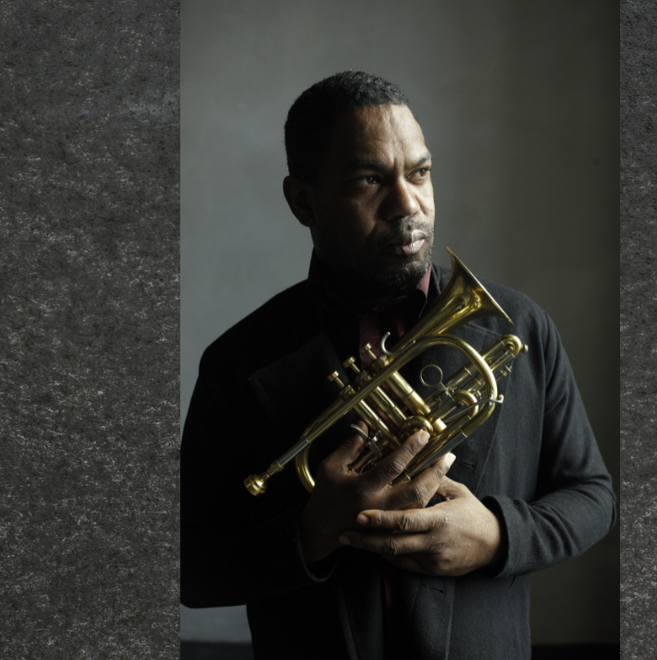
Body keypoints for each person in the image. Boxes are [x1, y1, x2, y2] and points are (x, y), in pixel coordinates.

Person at [181, 71, 616, 660]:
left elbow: (592, 496)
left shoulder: (518, 327)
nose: (407, 204)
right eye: (368, 180)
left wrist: (498, 536)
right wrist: (312, 531)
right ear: (303, 200)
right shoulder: (239, 361)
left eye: (420, 173)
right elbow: (190, 566)